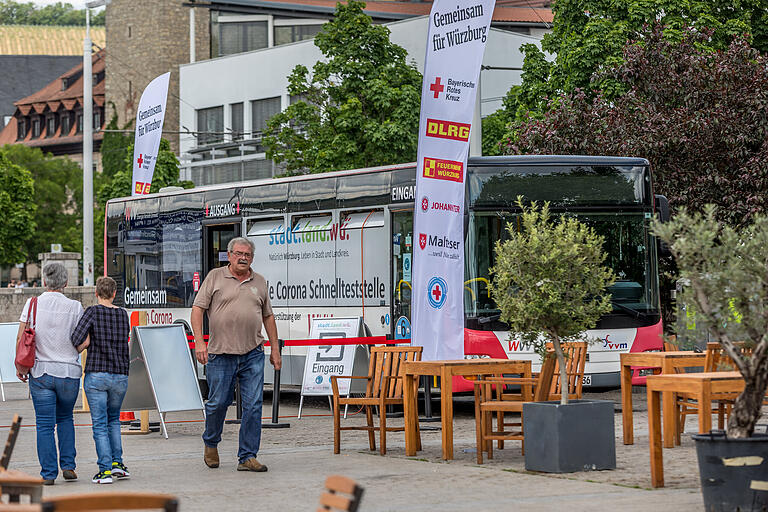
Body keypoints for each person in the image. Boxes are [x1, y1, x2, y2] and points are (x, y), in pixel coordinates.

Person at [191, 237, 281, 473]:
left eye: (248, 255)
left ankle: (247, 456)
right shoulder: (215, 277)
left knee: (253, 406)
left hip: (252, 353)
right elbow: (198, 309)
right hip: (220, 354)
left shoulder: (259, 281)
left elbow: (268, 316)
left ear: (252, 257)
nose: (243, 258)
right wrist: (200, 342)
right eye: (239, 253)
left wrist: (275, 349)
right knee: (218, 403)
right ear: (229, 255)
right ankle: (211, 442)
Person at [14, 263, 83, 485]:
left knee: (44, 424)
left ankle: (48, 474)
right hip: (69, 373)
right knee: (65, 418)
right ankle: (69, 466)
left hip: (41, 372)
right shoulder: (75, 306)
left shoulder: (32, 303)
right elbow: (81, 339)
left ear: (44, 281)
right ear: (66, 283)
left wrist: (20, 366)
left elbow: (21, 337)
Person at [71, 276, 131, 485]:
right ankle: (118, 464)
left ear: (96, 293)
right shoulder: (124, 314)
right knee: (114, 420)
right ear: (115, 293)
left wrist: (87, 341)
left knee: (99, 424)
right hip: (120, 374)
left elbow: (76, 338)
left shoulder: (92, 312)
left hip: (97, 373)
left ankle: (104, 470)